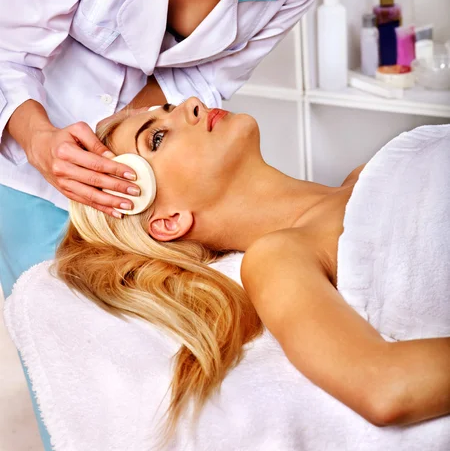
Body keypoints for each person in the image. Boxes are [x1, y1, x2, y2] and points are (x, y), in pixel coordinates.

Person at [0, 0, 372, 445]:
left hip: (166, 194)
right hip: (30, 154)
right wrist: (41, 139)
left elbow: (203, 85)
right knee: (83, 375)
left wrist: (144, 133)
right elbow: (7, 50)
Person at [54, 99, 450, 444]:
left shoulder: (370, 172)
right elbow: (385, 386)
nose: (193, 102)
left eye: (170, 109)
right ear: (168, 220)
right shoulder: (279, 257)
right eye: (156, 138)